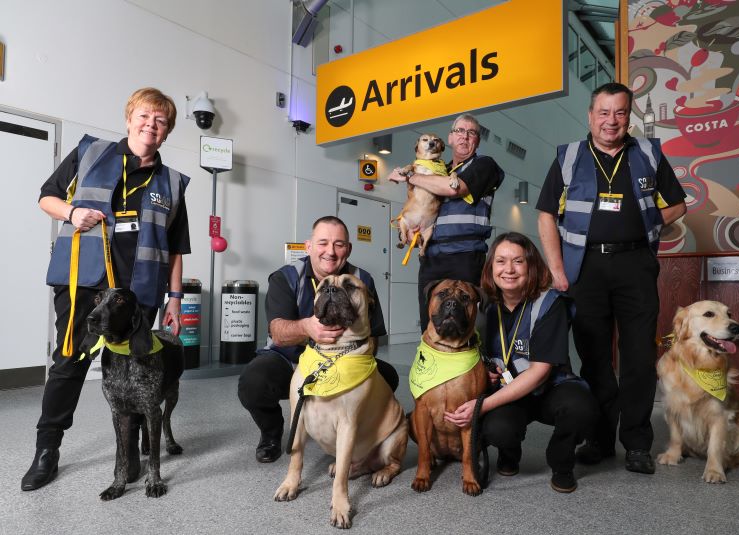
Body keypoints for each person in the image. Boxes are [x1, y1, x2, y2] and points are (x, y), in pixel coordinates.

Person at [22, 87, 191, 491]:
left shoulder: (171, 182)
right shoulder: (89, 152)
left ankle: (131, 454)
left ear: (167, 132)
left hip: (138, 293)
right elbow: (46, 197)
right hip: (83, 283)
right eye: (145, 116)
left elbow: (176, 249)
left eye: (161, 121)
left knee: (136, 368)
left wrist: (175, 298)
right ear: (130, 117)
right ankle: (47, 449)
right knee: (68, 364)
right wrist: (73, 211)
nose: (151, 125)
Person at [536, 82, 686, 475]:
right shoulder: (569, 157)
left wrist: (646, 222)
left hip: (636, 265)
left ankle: (637, 444)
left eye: (620, 112)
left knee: (638, 358)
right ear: (590, 116)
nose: (611, 121)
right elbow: (546, 215)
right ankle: (600, 438)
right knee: (595, 359)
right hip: (585, 269)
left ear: (629, 116)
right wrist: (557, 271)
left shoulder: (649, 153)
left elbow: (678, 204)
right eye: (603, 112)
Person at [444, 233, 599, 493]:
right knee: (498, 429)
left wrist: (481, 405)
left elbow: (539, 372)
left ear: (531, 266)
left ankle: (562, 463)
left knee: (580, 407)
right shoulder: (484, 309)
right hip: (510, 391)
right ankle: (509, 453)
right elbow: (477, 355)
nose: (509, 269)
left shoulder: (549, 304)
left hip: (550, 389)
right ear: (491, 267)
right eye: (501, 261)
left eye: (518, 261)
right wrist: (486, 373)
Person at [237, 216, 399, 463]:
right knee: (254, 383)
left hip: (345, 358)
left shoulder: (361, 280)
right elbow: (278, 332)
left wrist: (352, 364)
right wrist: (307, 327)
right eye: (323, 243)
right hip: (290, 361)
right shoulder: (286, 277)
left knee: (386, 377)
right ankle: (271, 432)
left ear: (348, 249)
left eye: (339, 244)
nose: (330, 252)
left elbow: (374, 336)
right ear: (309, 246)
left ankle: (344, 429)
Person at [388, 114, 504, 331]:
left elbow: (455, 188)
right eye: (459, 131)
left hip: (465, 257)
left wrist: (409, 176)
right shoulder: (440, 170)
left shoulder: (485, 166)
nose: (465, 137)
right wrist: (414, 231)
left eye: (471, 133)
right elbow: (424, 208)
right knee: (430, 323)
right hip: (432, 258)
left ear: (477, 140)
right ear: (449, 139)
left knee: (464, 324)